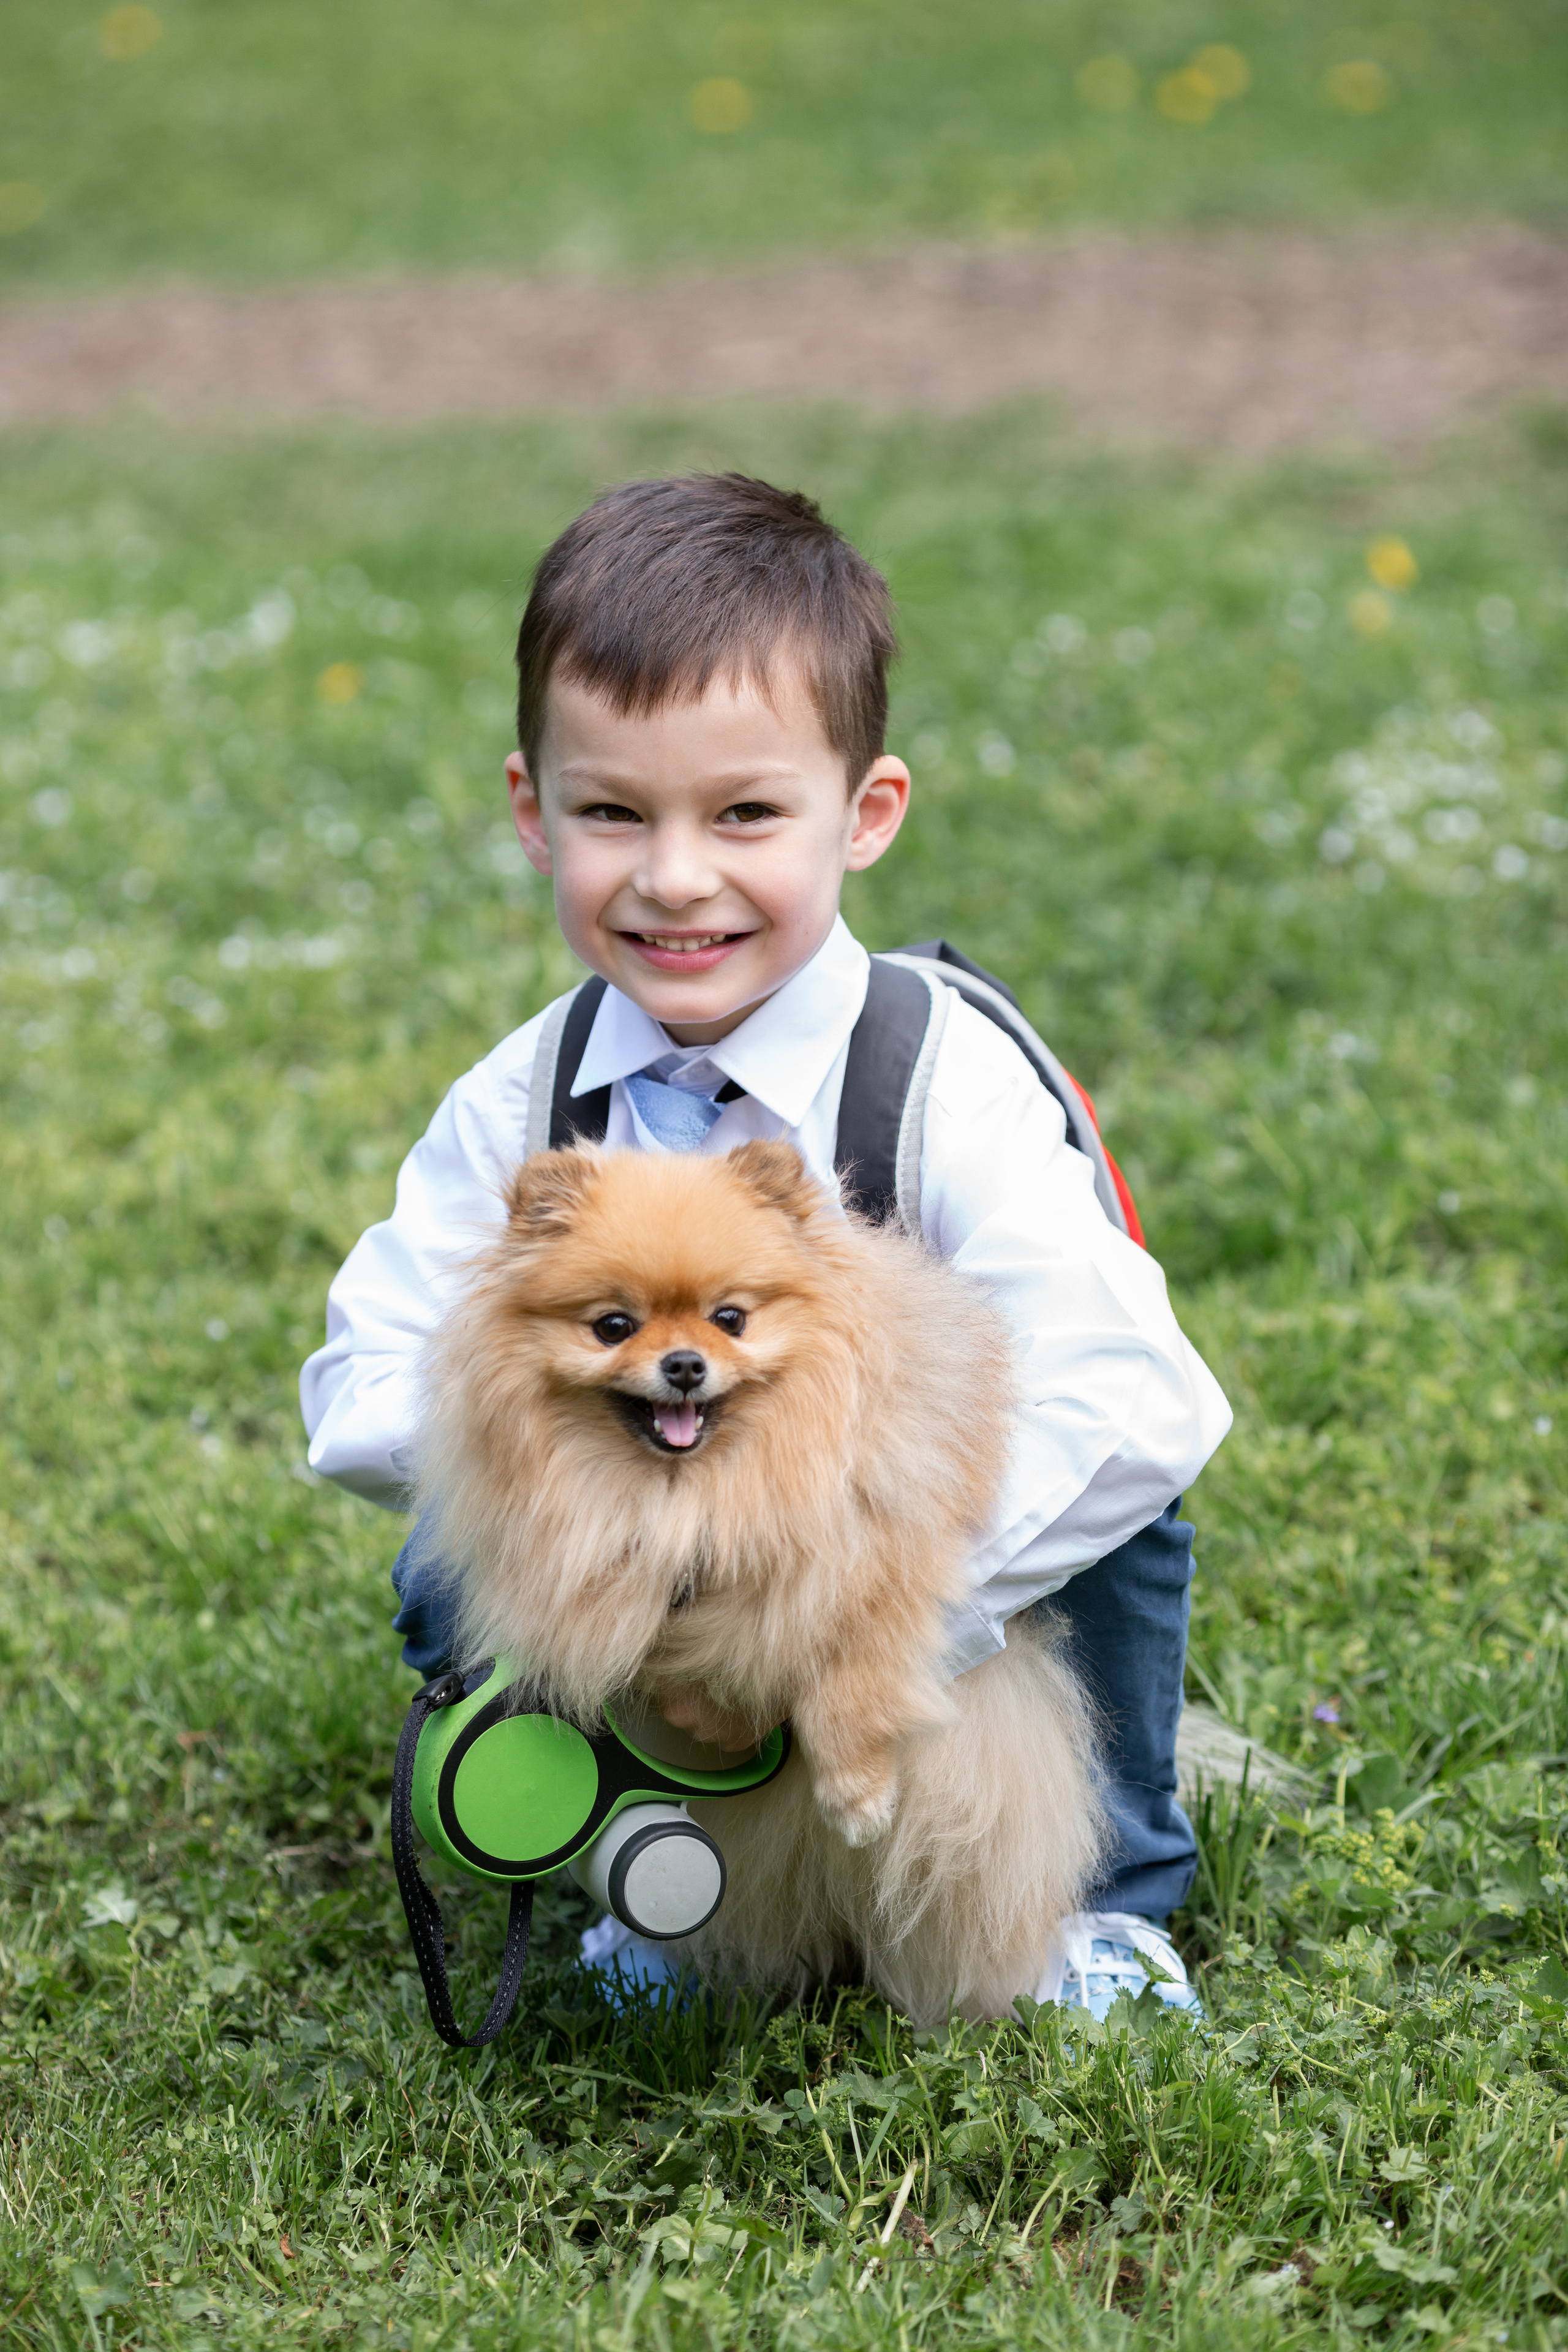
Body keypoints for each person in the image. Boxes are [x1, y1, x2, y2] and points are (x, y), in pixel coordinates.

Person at [300, 472, 1232, 2018]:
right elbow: (357, 1392)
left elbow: (1136, 1403)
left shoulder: (941, 1079)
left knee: (1122, 1522)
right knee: (442, 1556)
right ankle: (663, 1885)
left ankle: (1102, 1901)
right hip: (648, 1595)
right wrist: (600, 1541)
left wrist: (829, 1631)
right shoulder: (521, 1101)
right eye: (613, 813)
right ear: (533, 811)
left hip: (914, 1579)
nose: (676, 878)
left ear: (863, 816)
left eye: (743, 813)